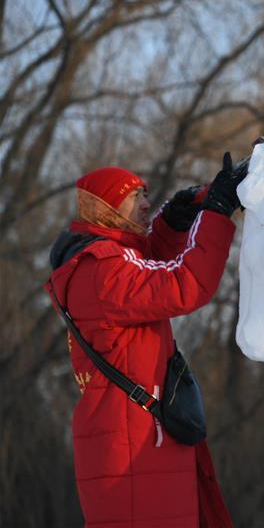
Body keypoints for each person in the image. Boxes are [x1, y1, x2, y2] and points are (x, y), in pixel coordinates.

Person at [45, 154, 246, 528]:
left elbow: (149, 264)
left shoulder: (100, 262)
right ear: (107, 208)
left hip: (134, 437)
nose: (147, 204)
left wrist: (174, 221)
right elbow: (185, 283)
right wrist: (216, 212)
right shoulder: (102, 270)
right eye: (135, 196)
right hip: (134, 448)